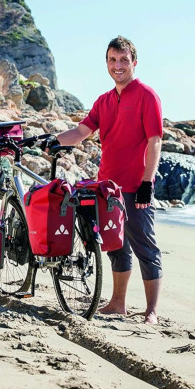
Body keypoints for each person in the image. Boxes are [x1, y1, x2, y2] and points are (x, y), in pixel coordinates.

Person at [50, 35, 163, 325]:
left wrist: (147, 184)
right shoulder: (104, 100)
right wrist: (53, 141)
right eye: (113, 60)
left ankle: (151, 311)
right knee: (116, 246)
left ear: (134, 62)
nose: (118, 65)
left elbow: (155, 141)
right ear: (107, 63)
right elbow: (82, 131)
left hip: (137, 187)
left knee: (144, 247)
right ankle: (118, 303)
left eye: (124, 60)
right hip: (107, 188)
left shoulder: (147, 95)